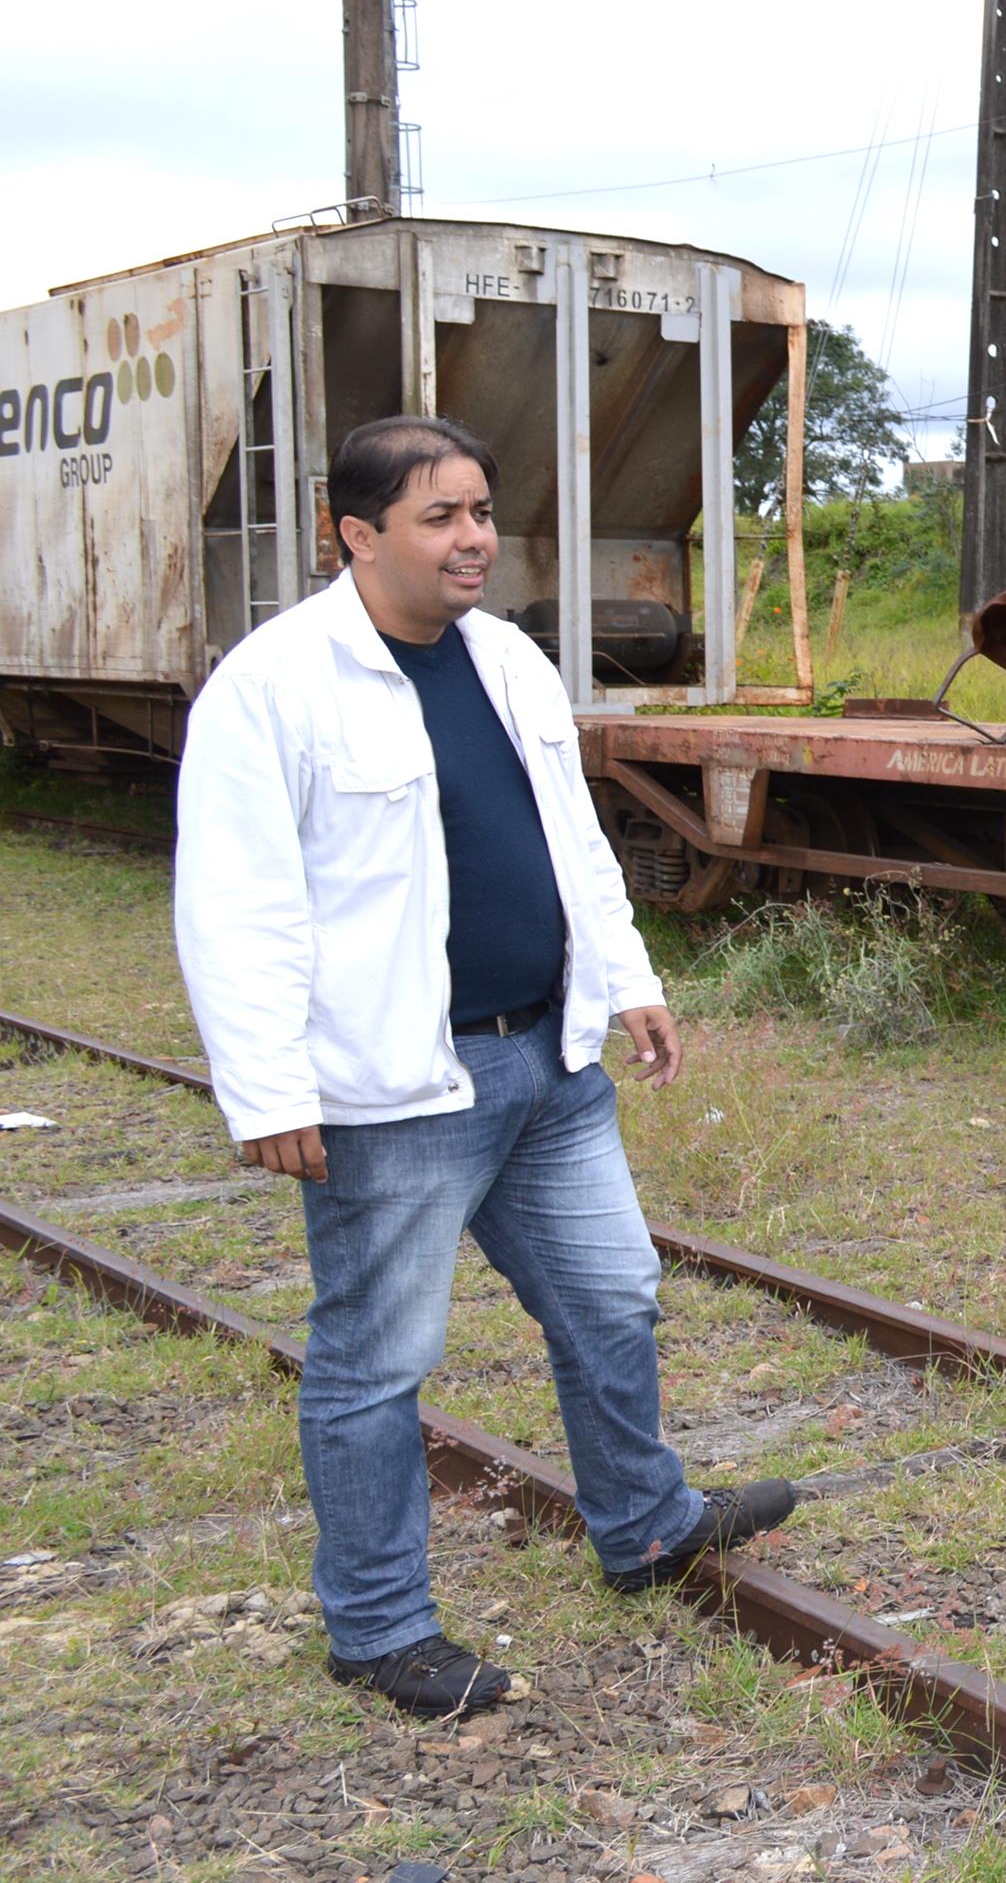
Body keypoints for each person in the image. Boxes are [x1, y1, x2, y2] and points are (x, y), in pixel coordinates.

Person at [173, 416, 794, 1721]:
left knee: (616, 1293)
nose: (472, 538)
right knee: (378, 1360)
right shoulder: (274, 685)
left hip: (550, 1063)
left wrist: (628, 979)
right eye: (440, 516)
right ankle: (379, 1626)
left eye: (478, 511)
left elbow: (572, 841)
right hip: (399, 1092)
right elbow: (234, 902)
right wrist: (269, 1089)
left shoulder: (506, 659)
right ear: (357, 532)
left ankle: (644, 1522)